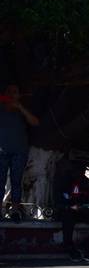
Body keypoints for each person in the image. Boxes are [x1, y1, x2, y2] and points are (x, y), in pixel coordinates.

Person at [0, 84, 39, 221]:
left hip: (19, 151)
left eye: (15, 92)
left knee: (16, 181)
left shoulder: (22, 110)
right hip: (2, 150)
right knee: (0, 180)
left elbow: (35, 122)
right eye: (9, 92)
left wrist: (20, 107)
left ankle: (15, 211)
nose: (11, 95)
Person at [58, 161, 89, 262]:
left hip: (83, 212)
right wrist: (70, 207)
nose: (79, 173)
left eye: (82, 171)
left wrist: (87, 207)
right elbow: (59, 201)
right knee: (67, 218)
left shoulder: (88, 183)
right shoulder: (65, 183)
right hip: (69, 211)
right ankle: (70, 248)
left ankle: (84, 247)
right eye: (77, 171)